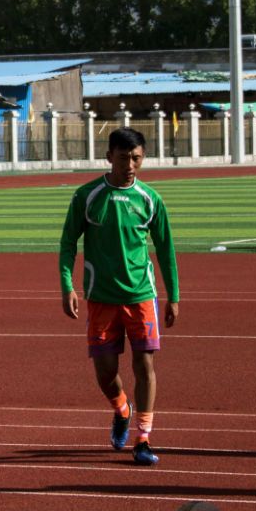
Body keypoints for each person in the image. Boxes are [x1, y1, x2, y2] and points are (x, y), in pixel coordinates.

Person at [59, 128, 178, 466]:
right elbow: (68, 243)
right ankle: (121, 408)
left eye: (137, 158)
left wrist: (174, 295)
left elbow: (166, 248)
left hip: (142, 295)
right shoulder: (88, 196)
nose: (130, 164)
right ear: (109, 156)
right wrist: (67, 285)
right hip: (101, 299)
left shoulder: (150, 199)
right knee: (105, 372)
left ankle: (143, 438)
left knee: (145, 365)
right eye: (124, 157)